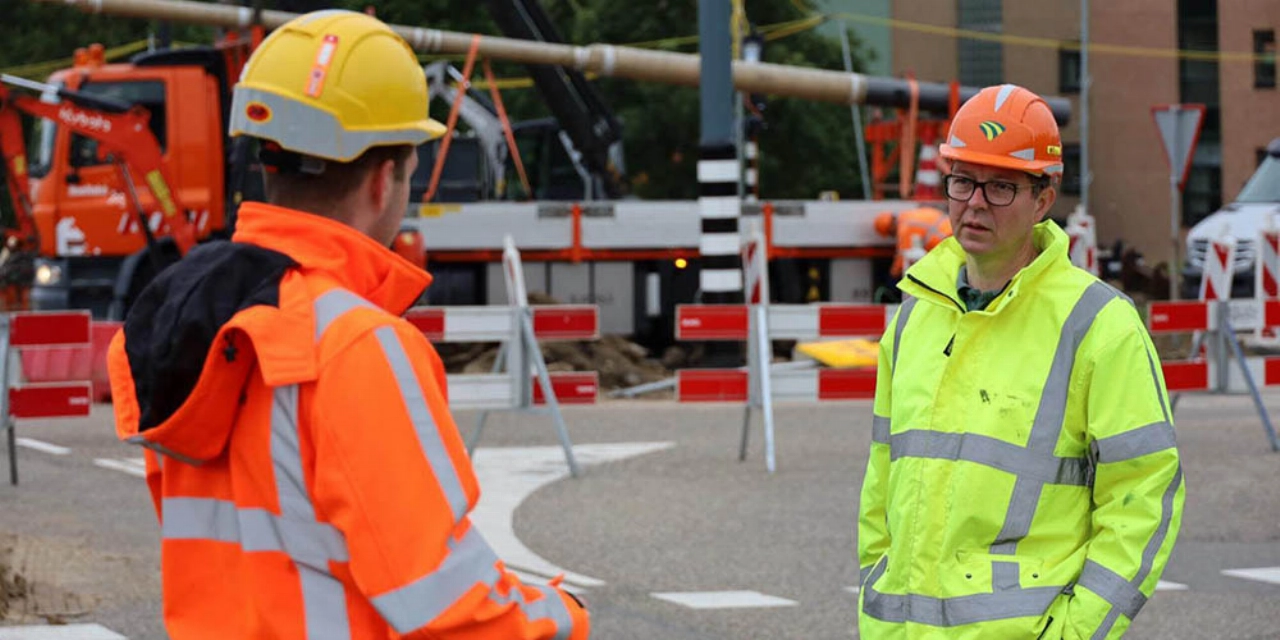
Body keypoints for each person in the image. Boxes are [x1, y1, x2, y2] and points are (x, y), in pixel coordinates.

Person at [106, 10, 588, 639]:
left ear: (267, 163)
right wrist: (564, 614)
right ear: (386, 178)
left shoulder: (193, 323)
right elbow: (450, 609)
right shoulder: (356, 345)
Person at [856, 84, 1184, 639]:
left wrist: (1076, 632)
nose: (975, 202)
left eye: (1001, 186)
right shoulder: (915, 316)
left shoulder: (1098, 326)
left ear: (1044, 196)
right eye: (962, 181)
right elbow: (881, 485)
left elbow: (1141, 499)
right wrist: (876, 587)